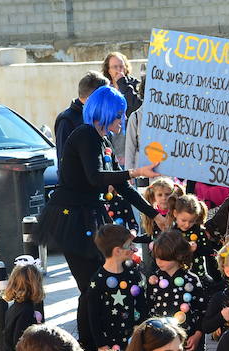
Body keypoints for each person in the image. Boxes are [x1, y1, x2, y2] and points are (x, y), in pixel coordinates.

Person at [41, 87, 159, 301]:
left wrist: (154, 214)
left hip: (87, 215)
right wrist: (137, 172)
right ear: (106, 111)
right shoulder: (85, 134)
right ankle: (88, 334)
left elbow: (122, 185)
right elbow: (95, 177)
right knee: (91, 286)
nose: (123, 118)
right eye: (119, 113)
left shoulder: (103, 140)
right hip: (72, 218)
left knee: (99, 284)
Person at [54, 70, 107, 152]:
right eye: (106, 96)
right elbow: (64, 159)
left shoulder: (98, 116)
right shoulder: (67, 120)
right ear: (94, 97)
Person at [103, 51, 143, 115]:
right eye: (115, 67)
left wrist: (122, 84)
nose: (119, 69)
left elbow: (138, 108)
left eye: (121, 66)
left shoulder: (136, 84)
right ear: (109, 70)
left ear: (126, 68)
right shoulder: (104, 88)